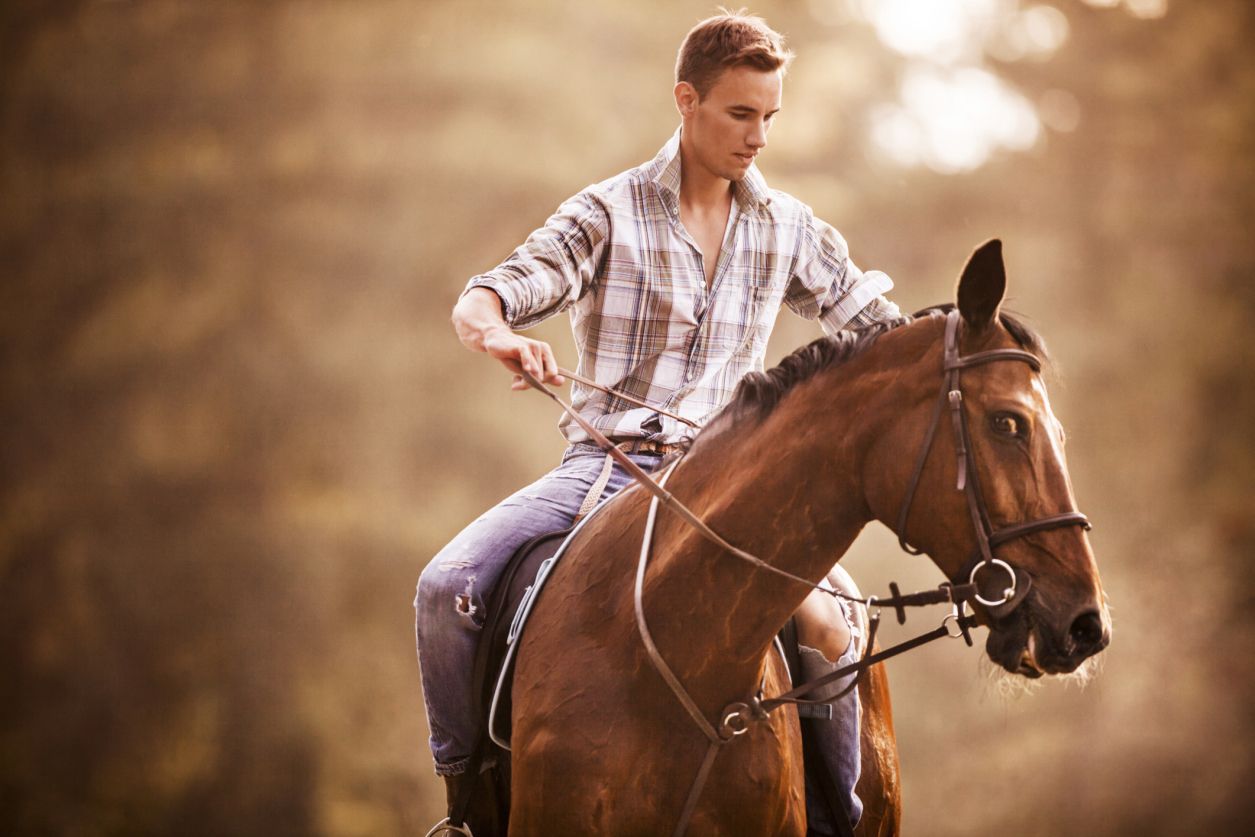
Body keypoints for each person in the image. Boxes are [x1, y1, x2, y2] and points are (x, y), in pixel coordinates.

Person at [415, 11, 900, 834]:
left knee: (831, 623)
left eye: (768, 117)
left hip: (732, 482)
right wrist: (500, 335)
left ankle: (836, 818)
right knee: (447, 589)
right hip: (602, 473)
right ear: (687, 100)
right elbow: (486, 294)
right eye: (739, 114)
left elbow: (878, 330)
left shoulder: (788, 228)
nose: (757, 138)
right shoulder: (608, 213)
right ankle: (466, 806)